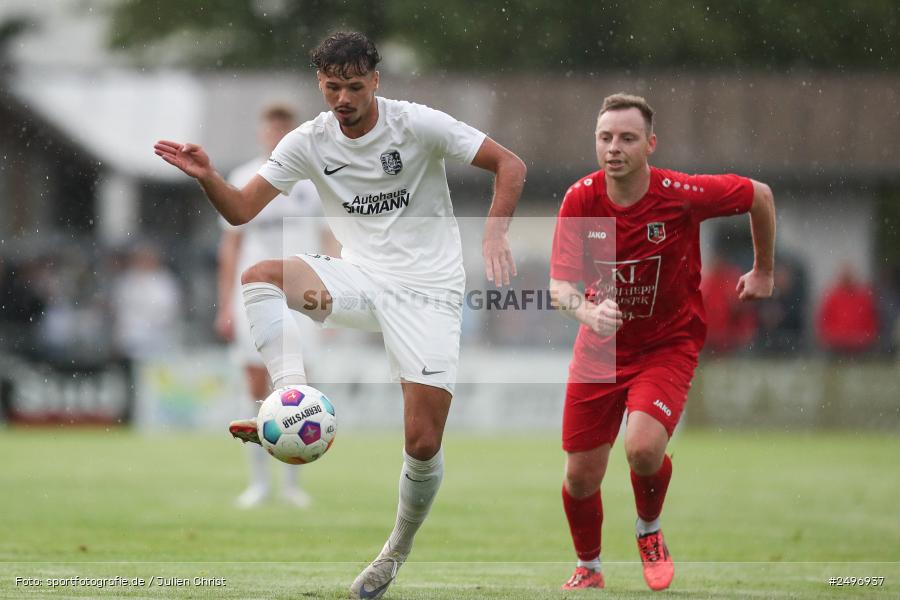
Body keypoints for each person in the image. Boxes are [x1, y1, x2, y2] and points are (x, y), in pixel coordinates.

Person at [154, 31, 526, 599]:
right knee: (259, 278)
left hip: (429, 292)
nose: (344, 97)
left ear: (375, 81)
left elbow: (510, 164)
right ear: (319, 85)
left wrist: (495, 232)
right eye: (333, 87)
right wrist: (208, 177)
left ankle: (394, 553)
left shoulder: (417, 123)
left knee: (423, 442)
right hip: (358, 282)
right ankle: (289, 398)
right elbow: (241, 211)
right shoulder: (308, 141)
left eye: (355, 86)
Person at [549, 93, 775, 591]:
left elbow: (759, 194)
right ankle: (589, 568)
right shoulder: (580, 199)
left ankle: (649, 531)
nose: (614, 148)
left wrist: (762, 270)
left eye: (627, 138)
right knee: (580, 477)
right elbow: (559, 288)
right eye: (605, 138)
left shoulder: (680, 193)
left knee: (643, 449)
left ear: (650, 144)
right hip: (599, 350)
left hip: (666, 344)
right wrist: (588, 311)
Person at [216, 104, 338, 509]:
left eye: (285, 129)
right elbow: (231, 245)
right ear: (262, 133)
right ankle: (258, 484)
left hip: (303, 296)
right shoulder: (243, 178)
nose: (277, 135)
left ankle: (291, 485)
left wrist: (336, 294)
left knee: (300, 388)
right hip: (253, 294)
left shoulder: (315, 178)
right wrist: (225, 303)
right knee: (254, 386)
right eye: (272, 128)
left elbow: (329, 240)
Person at [816, 263, 879, 355]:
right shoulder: (832, 297)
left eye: (849, 276)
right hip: (837, 346)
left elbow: (872, 321)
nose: (847, 279)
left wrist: (866, 337)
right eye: (845, 276)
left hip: (860, 347)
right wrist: (831, 337)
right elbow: (823, 322)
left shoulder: (864, 297)